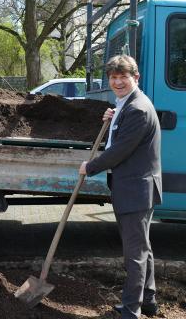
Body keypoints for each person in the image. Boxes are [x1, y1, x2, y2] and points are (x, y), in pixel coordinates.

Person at [79, 55, 162, 319]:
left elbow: (120, 151)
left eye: (122, 77)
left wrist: (90, 167)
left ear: (135, 78)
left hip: (135, 190)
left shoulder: (137, 109)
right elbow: (122, 134)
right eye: (113, 78)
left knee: (134, 254)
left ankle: (130, 311)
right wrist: (113, 117)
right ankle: (148, 301)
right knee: (142, 248)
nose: (117, 82)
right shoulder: (128, 105)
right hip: (136, 188)